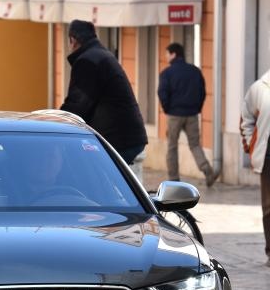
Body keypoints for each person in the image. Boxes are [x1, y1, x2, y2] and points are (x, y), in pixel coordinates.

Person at [60, 20, 147, 164]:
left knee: (86, 173)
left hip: (117, 138)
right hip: (128, 135)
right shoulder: (101, 55)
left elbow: (77, 105)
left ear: (73, 40)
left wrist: (54, 122)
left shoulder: (87, 61)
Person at [158, 42, 217, 187]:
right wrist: (197, 108)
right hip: (192, 114)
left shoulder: (167, 73)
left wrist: (167, 109)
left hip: (174, 114)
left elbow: (162, 93)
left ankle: (173, 179)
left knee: (172, 146)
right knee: (195, 145)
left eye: (167, 53)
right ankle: (207, 170)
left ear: (174, 54)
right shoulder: (195, 71)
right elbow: (202, 92)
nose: (165, 57)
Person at [240, 67, 270, 267]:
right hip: (268, 157)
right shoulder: (260, 88)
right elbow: (246, 119)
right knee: (269, 207)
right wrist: (251, 145)